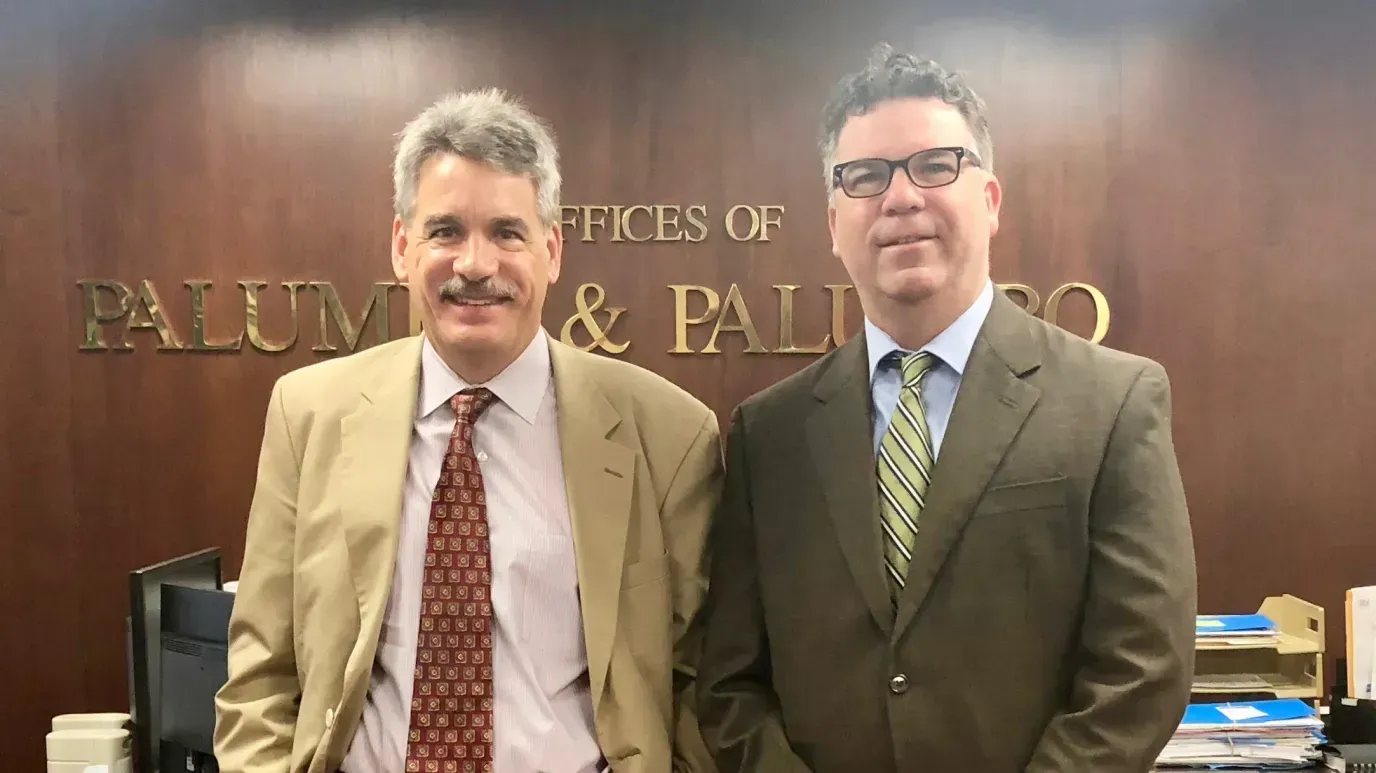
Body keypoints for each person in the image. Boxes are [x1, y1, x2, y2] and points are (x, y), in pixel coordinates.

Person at [695, 44, 1196, 773]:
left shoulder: (1113, 401)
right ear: (834, 223)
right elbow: (730, 681)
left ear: (989, 201)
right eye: (866, 177)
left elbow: (1142, 669)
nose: (901, 198)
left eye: (935, 165)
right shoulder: (768, 433)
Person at [213, 88, 723, 773]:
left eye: (507, 232)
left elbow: (701, 686)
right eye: (446, 230)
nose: (475, 264)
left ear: (552, 249)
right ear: (402, 246)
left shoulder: (670, 435)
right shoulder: (308, 415)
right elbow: (261, 676)